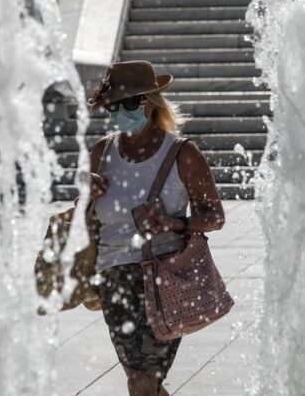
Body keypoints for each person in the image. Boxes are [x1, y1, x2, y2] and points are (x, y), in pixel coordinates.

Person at [87, 60, 226, 396]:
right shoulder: (102, 151)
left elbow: (215, 216)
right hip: (112, 279)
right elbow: (91, 215)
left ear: (151, 103)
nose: (122, 112)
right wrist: (87, 195)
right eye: (115, 106)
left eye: (130, 103)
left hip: (162, 279)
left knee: (141, 382)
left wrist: (174, 222)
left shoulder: (182, 153)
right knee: (143, 382)